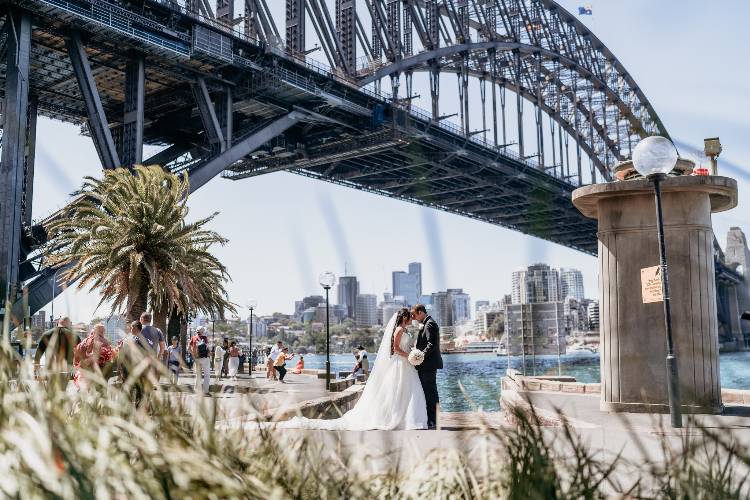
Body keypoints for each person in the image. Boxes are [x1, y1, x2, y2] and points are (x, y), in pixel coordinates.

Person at [251, 308, 426, 430]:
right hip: (400, 364)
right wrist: (409, 356)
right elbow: (395, 349)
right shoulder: (398, 331)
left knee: (406, 391)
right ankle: (397, 417)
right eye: (410, 316)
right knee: (398, 390)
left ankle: (407, 418)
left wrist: (412, 354)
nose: (412, 318)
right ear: (404, 318)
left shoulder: (405, 330)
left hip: (405, 364)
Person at [411, 304, 443, 430]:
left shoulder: (430, 323)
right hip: (425, 365)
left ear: (420, 312)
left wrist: (420, 356)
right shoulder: (427, 323)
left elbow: (431, 344)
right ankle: (430, 419)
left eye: (414, 314)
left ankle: (434, 420)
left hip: (428, 365)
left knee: (431, 393)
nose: (413, 317)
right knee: (427, 392)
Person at [34, 317, 80, 392]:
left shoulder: (46, 334)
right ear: (69, 324)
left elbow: (38, 355)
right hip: (67, 371)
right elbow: (79, 356)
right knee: (62, 392)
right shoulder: (75, 336)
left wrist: (37, 372)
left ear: (57, 323)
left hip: (50, 370)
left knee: (50, 393)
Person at [73, 323, 116, 390]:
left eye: (104, 330)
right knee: (98, 390)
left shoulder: (89, 340)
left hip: (92, 369)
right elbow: (90, 355)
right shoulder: (93, 340)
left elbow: (78, 354)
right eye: (102, 330)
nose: (104, 332)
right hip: (97, 369)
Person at [117, 321, 149, 405]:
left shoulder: (140, 339)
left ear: (136, 328)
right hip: (127, 368)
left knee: (138, 389)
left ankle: (138, 410)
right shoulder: (128, 338)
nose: (130, 329)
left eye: (132, 327)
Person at [189, 327, 211, 395]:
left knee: (198, 375)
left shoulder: (193, 338)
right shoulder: (205, 338)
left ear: (196, 331)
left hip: (197, 359)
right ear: (202, 331)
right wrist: (209, 355)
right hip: (205, 359)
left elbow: (188, 348)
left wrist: (194, 356)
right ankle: (206, 391)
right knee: (207, 375)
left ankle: (197, 390)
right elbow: (208, 348)